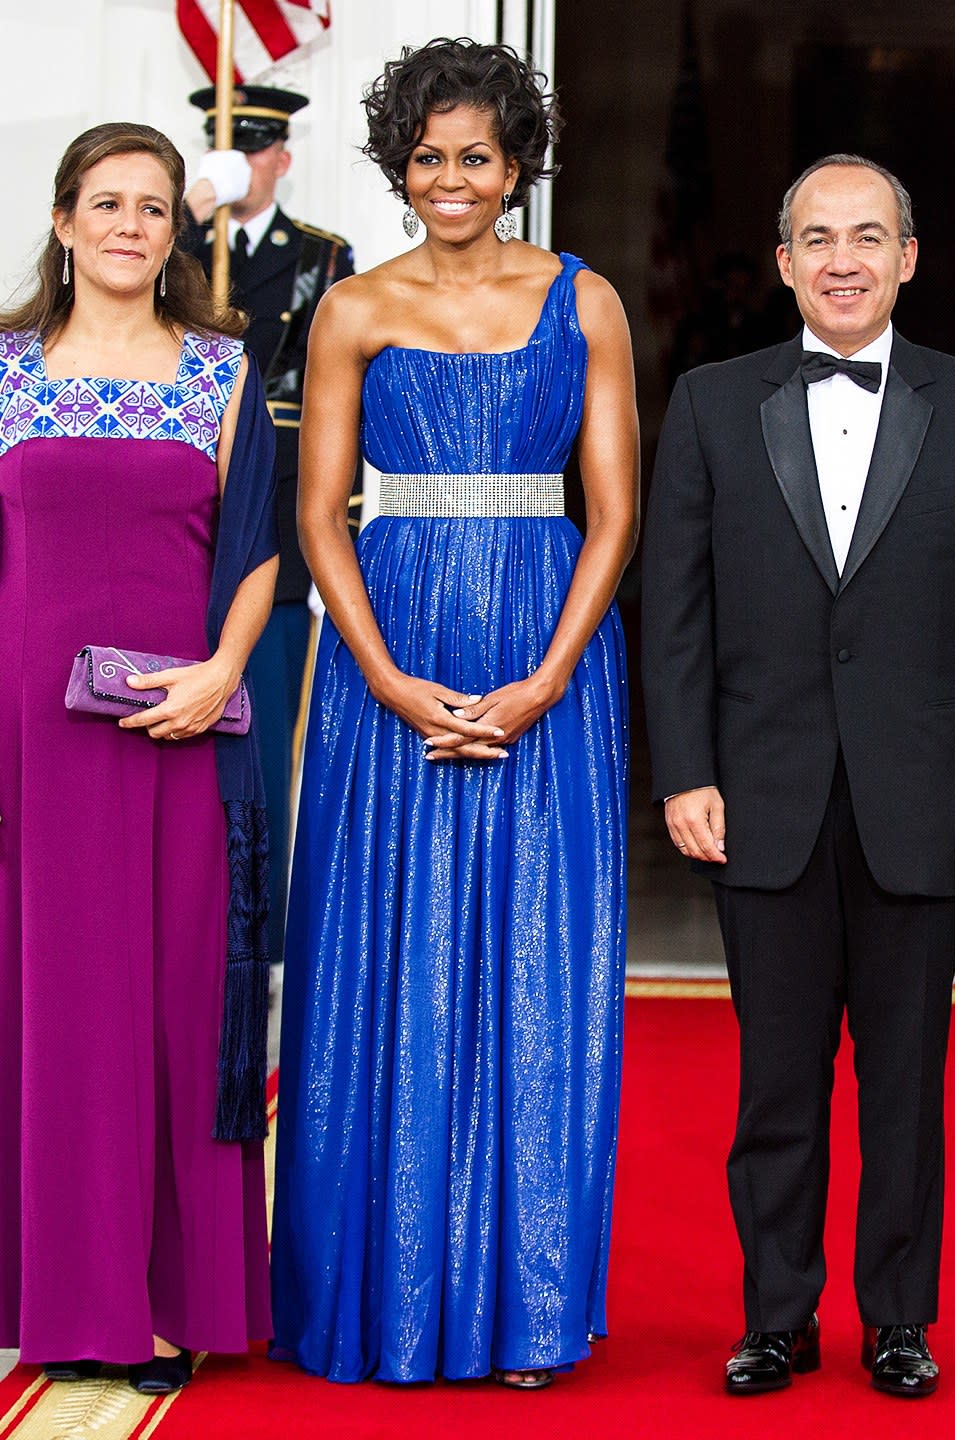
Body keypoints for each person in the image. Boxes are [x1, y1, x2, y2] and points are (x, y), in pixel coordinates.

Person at [270, 37, 639, 1387]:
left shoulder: (583, 300)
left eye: (474, 155)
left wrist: (546, 677)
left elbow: (617, 511)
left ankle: (527, 1314)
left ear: (518, 162)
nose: (450, 179)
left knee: (536, 962)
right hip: (391, 658)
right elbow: (318, 517)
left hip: (552, 661)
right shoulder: (353, 308)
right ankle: (378, 1298)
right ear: (398, 165)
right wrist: (373, 671)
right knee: (384, 950)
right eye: (426, 157)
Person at [642, 153, 955, 1399]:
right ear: (783, 263)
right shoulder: (715, 403)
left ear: (909, 257)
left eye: (868, 237)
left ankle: (899, 1321)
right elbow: (674, 609)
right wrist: (686, 772)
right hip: (760, 798)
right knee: (776, 1084)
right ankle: (775, 1316)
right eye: (818, 238)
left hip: (920, 800)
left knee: (905, 1087)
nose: (843, 259)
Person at [0, 122, 278, 1392]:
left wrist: (223, 669)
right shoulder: (2, 369)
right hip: (25, 745)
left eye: (153, 208)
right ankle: (54, 1293)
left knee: (173, 1007)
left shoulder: (222, 373)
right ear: (63, 223)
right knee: (46, 1008)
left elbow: (259, 548)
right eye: (104, 203)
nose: (128, 224)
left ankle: (165, 1301)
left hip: (179, 729)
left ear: (179, 234)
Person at [183, 84, 356, 967]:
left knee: (261, 749)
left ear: (282, 158)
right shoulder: (174, 242)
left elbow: (338, 409)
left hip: (277, 550)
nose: (238, 164)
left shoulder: (323, 260)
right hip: (177, 538)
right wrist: (189, 213)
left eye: (253, 149)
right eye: (222, 148)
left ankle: (258, 944)